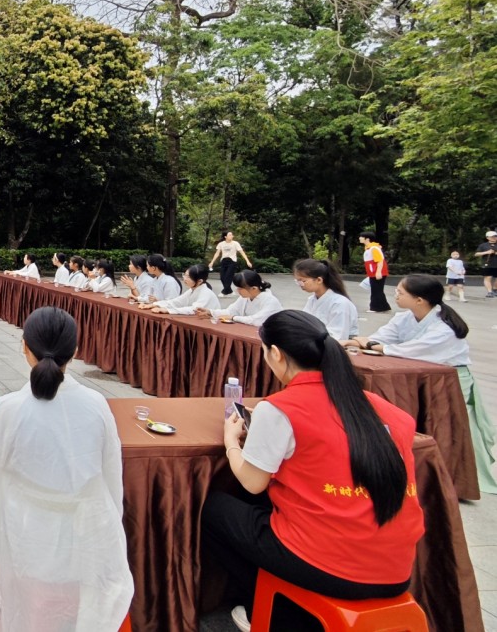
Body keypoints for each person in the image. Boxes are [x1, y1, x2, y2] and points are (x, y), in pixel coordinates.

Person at [203, 311, 424, 632]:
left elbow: (252, 482)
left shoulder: (282, 407)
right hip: (396, 570)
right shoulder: (384, 409)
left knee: (214, 509)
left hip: (332, 568)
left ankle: (268, 610)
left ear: (276, 354)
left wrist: (230, 441)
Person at [0, 307, 132, 630]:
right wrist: (108, 527)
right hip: (88, 546)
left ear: (24, 346)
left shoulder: (10, 409)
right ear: (76, 351)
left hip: (26, 546)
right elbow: (113, 479)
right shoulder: (97, 405)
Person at [343, 275, 497, 494]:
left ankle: (450, 478)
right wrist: (360, 342)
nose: (395, 296)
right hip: (416, 375)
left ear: (419, 300)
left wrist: (375, 346)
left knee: (445, 428)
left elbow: (411, 349)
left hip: (447, 381)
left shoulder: (444, 327)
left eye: (401, 293)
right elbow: (382, 337)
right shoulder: (404, 317)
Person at [293, 259, 358, 341]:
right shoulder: (312, 300)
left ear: (319, 280)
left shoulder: (340, 303)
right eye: (297, 281)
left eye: (302, 281)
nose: (300, 285)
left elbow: (337, 337)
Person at [196, 270, 282, 327]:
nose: (237, 291)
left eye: (240, 288)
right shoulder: (245, 297)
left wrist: (233, 317)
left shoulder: (270, 301)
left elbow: (256, 320)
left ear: (254, 288)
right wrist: (211, 312)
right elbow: (230, 311)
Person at [150, 264, 220, 315]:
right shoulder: (191, 290)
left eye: (188, 277)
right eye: (185, 275)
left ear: (200, 281)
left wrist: (168, 310)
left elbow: (193, 309)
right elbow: (176, 302)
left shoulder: (206, 293)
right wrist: (155, 304)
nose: (185, 279)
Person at [209, 231, 253, 296]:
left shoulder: (235, 243)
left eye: (232, 235)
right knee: (222, 277)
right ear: (225, 237)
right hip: (224, 261)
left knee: (228, 276)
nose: (232, 236)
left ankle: (224, 292)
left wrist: (247, 261)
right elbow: (217, 253)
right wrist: (212, 262)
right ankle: (229, 291)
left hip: (232, 261)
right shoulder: (221, 244)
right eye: (230, 235)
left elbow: (242, 252)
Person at [359, 231, 391, 313]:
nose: (360, 238)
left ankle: (375, 308)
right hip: (373, 273)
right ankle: (384, 306)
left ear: (367, 239)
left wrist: (378, 272)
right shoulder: (369, 248)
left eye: (361, 237)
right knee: (378, 290)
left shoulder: (374, 248)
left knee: (376, 290)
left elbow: (380, 260)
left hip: (377, 273)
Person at [475, 230, 497, 297]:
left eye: (495, 236)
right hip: (487, 264)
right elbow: (476, 254)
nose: (494, 237)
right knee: (488, 278)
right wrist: (486, 252)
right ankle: (490, 292)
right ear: (488, 237)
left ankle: (495, 289)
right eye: (492, 236)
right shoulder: (483, 245)